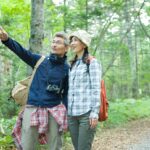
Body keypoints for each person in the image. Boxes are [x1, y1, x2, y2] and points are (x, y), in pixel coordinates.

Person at [0, 26, 69, 150]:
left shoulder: (67, 69)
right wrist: (7, 40)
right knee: (27, 145)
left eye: (58, 42)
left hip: (53, 110)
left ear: (66, 48)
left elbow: (66, 93)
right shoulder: (40, 60)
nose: (54, 44)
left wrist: (66, 112)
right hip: (32, 107)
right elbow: (22, 52)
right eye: (53, 41)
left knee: (55, 145)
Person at [67, 30, 102, 150]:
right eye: (71, 40)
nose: (72, 43)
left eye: (75, 40)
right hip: (72, 115)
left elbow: (96, 89)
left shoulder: (92, 62)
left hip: (86, 114)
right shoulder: (72, 64)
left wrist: (94, 113)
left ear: (84, 44)